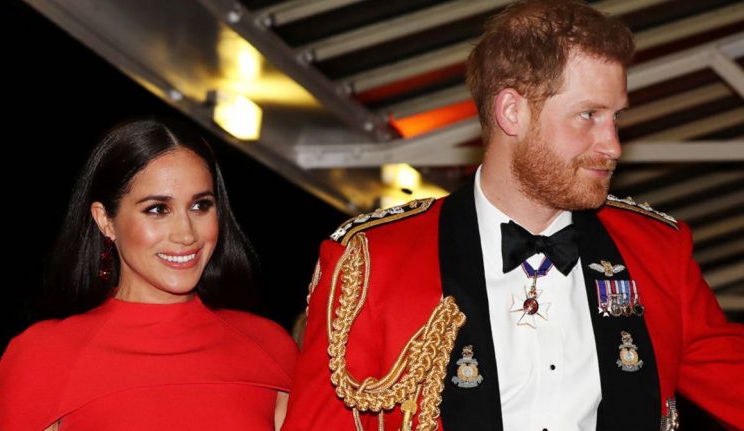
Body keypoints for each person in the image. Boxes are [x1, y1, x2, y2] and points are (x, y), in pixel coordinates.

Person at [282, 1, 744, 430]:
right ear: (511, 112)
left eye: (616, 118)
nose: (613, 145)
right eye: (588, 115)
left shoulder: (657, 251)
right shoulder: (373, 261)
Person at [0, 118, 298, 430]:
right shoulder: (44, 356)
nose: (186, 234)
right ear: (105, 221)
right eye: (157, 209)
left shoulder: (270, 347)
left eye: (200, 206)